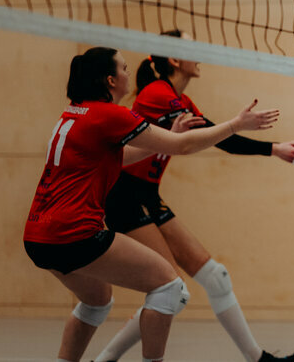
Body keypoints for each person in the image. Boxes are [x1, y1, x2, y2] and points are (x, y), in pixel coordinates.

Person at [23, 47, 280, 362]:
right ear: (110, 80)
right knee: (170, 287)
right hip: (74, 234)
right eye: (123, 68)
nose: (128, 73)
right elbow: (183, 146)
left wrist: (169, 135)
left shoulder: (75, 113)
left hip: (38, 236)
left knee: (97, 301)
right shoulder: (110, 115)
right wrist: (235, 124)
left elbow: (119, 158)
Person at [93, 31, 294, 362]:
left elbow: (216, 136)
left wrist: (275, 148)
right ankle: (105, 359)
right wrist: (249, 132)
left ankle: (259, 359)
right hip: (123, 195)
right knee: (170, 289)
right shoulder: (157, 93)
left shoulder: (181, 101)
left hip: (147, 195)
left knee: (216, 277)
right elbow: (215, 136)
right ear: (174, 59)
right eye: (190, 46)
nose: (199, 52)